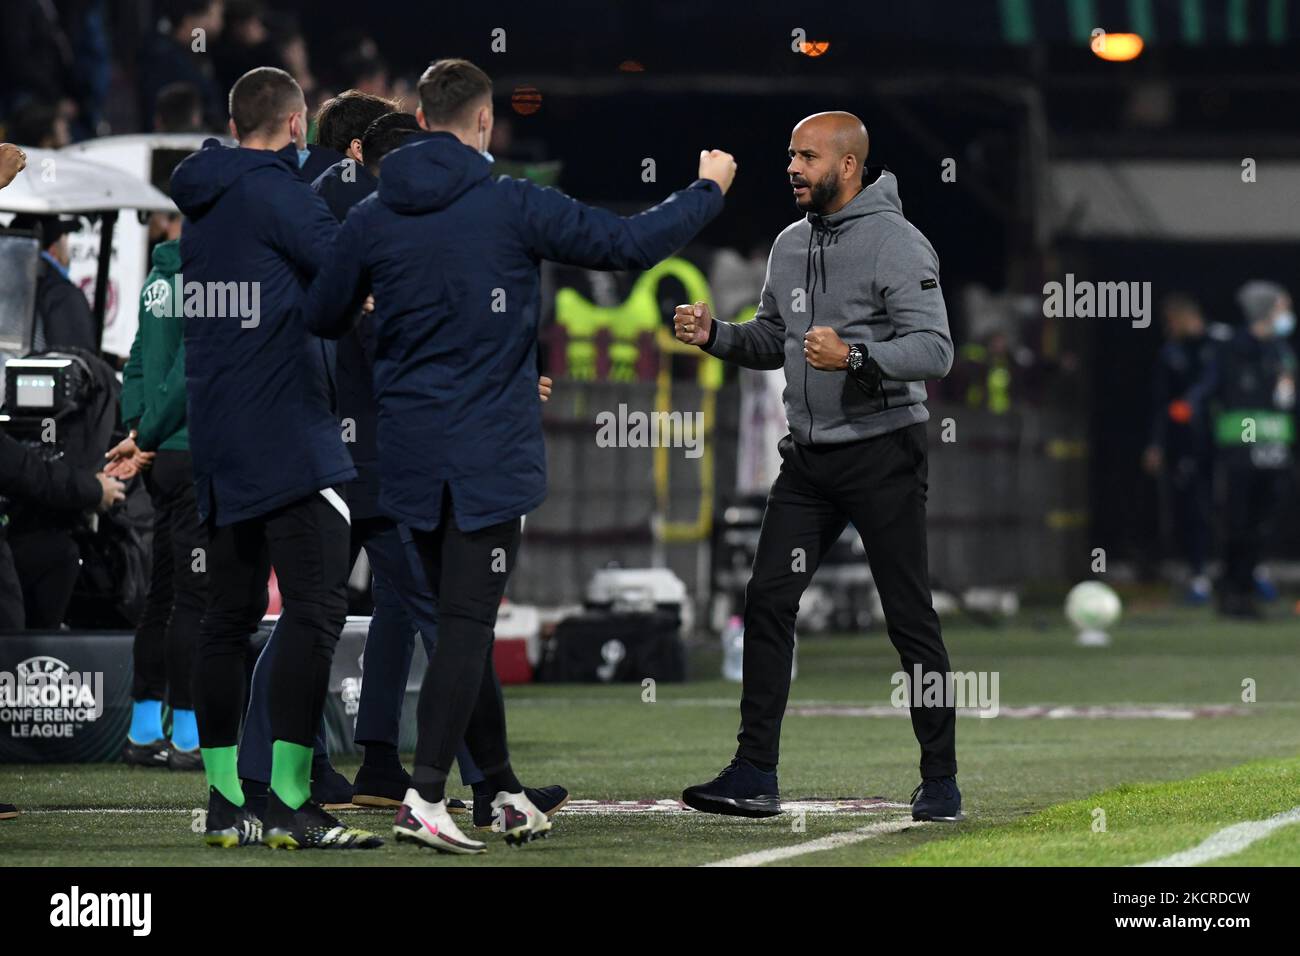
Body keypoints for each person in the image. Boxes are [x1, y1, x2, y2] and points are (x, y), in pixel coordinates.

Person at [304, 57, 732, 853]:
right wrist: (708, 188)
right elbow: (631, 243)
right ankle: (426, 794)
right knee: (468, 625)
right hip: (487, 457)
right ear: (483, 123)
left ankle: (497, 787)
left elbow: (323, 312)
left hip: (405, 455)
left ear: (421, 118)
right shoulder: (509, 203)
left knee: (453, 619)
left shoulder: (374, 210)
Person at [674, 111, 961, 822]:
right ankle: (754, 773)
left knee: (909, 619)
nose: (793, 168)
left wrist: (858, 357)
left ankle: (941, 778)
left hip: (883, 454)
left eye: (807, 157)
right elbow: (775, 338)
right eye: (790, 156)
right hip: (808, 462)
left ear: (850, 166)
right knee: (768, 599)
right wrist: (716, 336)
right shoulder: (789, 244)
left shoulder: (898, 243)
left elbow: (935, 350)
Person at [170, 66, 378, 849]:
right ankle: (292, 799)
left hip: (218, 439)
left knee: (226, 617)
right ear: (296, 126)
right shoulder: (282, 191)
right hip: (288, 435)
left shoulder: (201, 201)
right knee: (318, 609)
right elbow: (345, 272)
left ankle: (227, 803)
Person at [104, 212, 205, 772]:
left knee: (164, 591)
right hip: (191, 449)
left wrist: (137, 427)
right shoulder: (212, 279)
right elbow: (192, 373)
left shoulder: (158, 277)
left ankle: (145, 730)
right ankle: (188, 738)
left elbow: (140, 358)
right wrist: (152, 430)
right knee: (197, 596)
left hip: (159, 456)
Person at [1204, 281, 1296, 618]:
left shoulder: (1282, 351)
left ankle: (1245, 590)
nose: (1287, 314)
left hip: (1275, 453)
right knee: (1237, 523)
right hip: (1241, 452)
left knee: (1262, 526)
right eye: (1282, 307)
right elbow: (1210, 392)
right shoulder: (1231, 350)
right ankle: (1230, 592)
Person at [1141, 293, 1216, 604]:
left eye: (1172, 321)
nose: (1168, 328)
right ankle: (1199, 576)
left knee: (1227, 508)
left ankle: (1245, 574)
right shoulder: (1171, 354)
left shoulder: (1219, 346)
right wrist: (1156, 445)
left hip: (1223, 441)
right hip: (1186, 446)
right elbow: (1161, 404)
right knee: (1191, 509)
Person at [6, 214, 97, 353]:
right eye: (65, 241)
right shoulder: (62, 295)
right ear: (54, 250)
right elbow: (76, 360)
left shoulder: (8, 286)